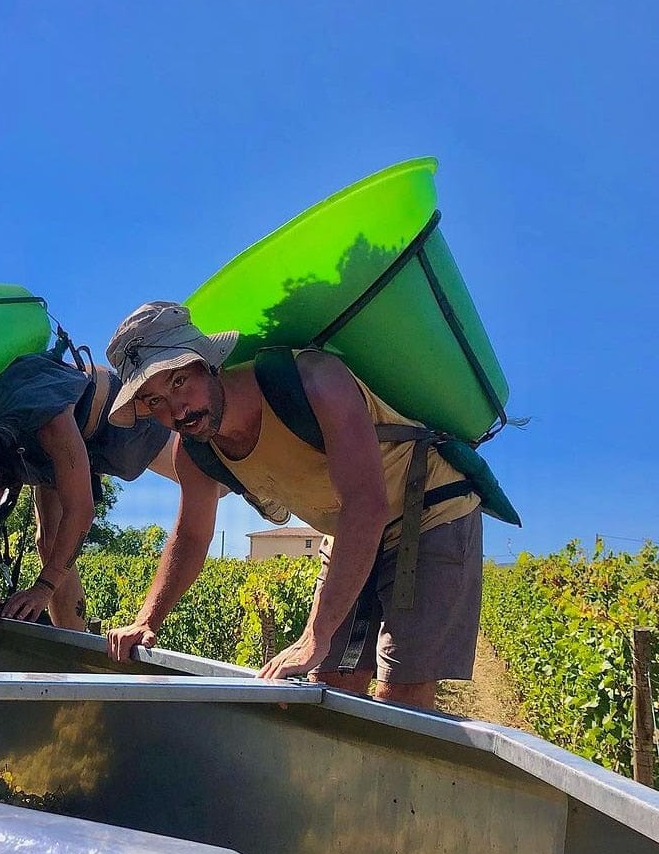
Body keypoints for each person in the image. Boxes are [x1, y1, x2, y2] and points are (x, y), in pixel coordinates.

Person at [102, 301, 483, 710]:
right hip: (347, 530)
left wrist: (316, 635)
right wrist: (146, 620)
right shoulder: (193, 452)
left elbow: (366, 504)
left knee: (400, 696)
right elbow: (191, 535)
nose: (177, 410)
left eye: (178, 381)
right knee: (327, 688)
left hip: (429, 511)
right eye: (155, 401)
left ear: (208, 363)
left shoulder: (314, 381)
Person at [0, 351, 176, 632]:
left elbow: (81, 511)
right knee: (49, 541)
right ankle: (73, 642)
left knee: (200, 474)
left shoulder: (45, 423)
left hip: (119, 422)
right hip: (50, 446)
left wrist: (43, 588)